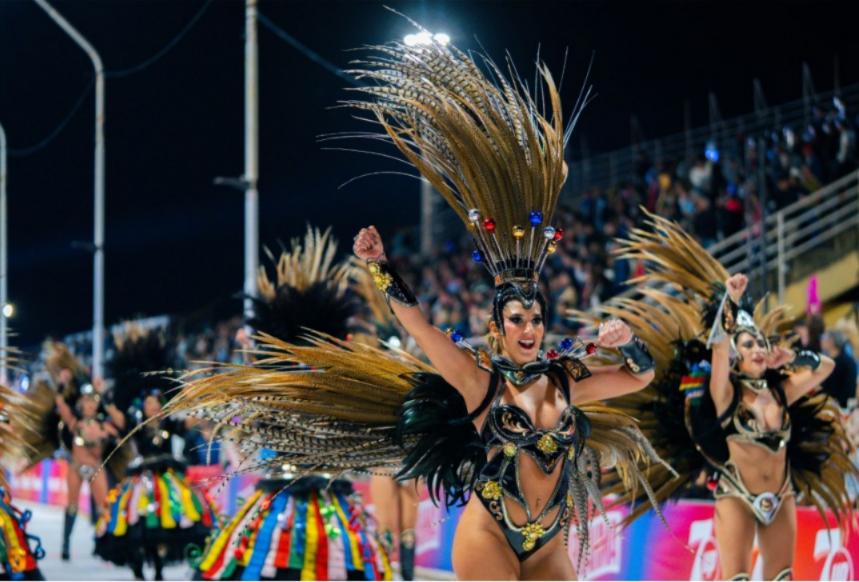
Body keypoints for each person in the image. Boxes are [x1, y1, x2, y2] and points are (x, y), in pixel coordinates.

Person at [578, 211, 855, 581]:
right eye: (748, 344)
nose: (758, 349)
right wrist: (730, 300)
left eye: (761, 343)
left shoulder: (781, 391)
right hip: (736, 495)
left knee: (784, 578)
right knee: (736, 579)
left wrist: (793, 357)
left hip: (782, 496)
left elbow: (825, 368)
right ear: (737, 358)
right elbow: (719, 347)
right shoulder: (724, 394)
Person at [189, 227, 392, 581]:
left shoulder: (332, 384)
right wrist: (250, 355)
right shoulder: (276, 383)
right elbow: (253, 405)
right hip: (283, 492)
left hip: (324, 493)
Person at [93, 328, 217, 581]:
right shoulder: (136, 425)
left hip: (168, 479)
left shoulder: (170, 423)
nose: (153, 406)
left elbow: (191, 421)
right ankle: (138, 568)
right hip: (142, 480)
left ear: (161, 405)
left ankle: (159, 570)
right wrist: (103, 393)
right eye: (149, 403)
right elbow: (115, 414)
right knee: (136, 521)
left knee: (165, 523)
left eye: (156, 402)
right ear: (144, 405)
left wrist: (196, 396)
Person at [821, 329, 859, 408]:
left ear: (831, 343)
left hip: (840, 405)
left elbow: (832, 389)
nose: (821, 341)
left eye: (824, 339)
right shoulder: (844, 359)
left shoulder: (839, 363)